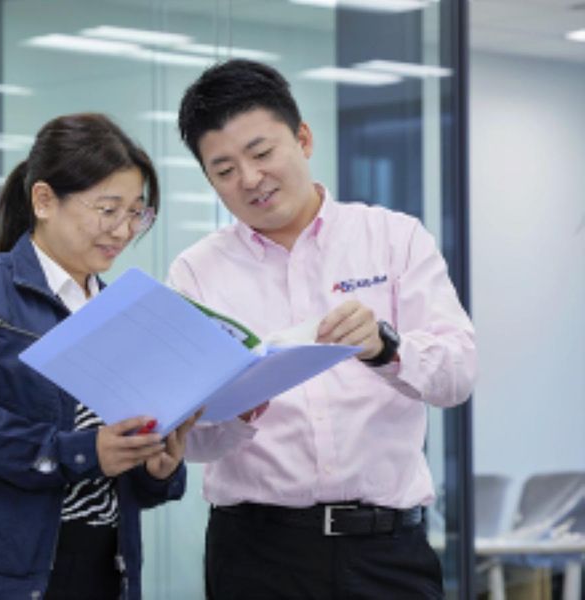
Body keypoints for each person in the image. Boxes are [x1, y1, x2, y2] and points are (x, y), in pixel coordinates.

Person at [168, 60, 477, 599]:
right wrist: (235, 410)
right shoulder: (196, 272)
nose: (250, 179)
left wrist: (386, 348)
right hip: (256, 553)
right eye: (224, 170)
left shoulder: (393, 238)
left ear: (304, 139)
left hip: (386, 551)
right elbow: (191, 440)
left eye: (261, 153)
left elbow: (458, 376)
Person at [0, 113, 197, 600]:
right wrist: (79, 451)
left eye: (136, 213)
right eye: (108, 209)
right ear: (43, 200)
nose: (123, 230)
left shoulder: (125, 313)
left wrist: (156, 469)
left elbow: (115, 475)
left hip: (102, 571)